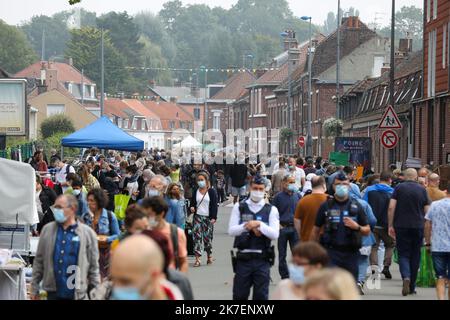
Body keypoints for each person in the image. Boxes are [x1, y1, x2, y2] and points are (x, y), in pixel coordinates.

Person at [31, 195, 100, 300]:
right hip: (51, 292)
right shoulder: (47, 230)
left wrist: (96, 294)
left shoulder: (87, 234)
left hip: (77, 293)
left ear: (72, 209)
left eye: (59, 207)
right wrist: (34, 288)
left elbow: (94, 267)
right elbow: (39, 261)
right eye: (55, 207)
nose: (56, 210)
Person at [228, 175, 280, 300]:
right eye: (255, 188)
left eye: (261, 189)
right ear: (250, 188)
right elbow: (231, 230)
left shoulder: (271, 210)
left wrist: (259, 224)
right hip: (243, 259)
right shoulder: (240, 207)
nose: (258, 191)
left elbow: (274, 234)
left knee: (261, 296)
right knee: (239, 295)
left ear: (264, 190)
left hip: (262, 259)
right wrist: (247, 226)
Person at [312, 172, 370, 280]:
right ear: (333, 186)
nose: (341, 187)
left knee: (349, 287)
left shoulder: (357, 206)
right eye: (338, 184)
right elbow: (315, 230)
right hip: (330, 252)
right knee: (330, 286)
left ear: (349, 186)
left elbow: (367, 230)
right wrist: (315, 251)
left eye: (344, 184)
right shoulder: (326, 206)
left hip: (351, 253)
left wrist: (357, 227)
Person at [388, 168, 431, 296]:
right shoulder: (422, 189)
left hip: (401, 225)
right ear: (416, 177)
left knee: (403, 254)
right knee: (415, 254)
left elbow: (391, 207)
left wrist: (390, 224)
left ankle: (405, 276)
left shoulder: (399, 188)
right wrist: (427, 225)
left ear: (405, 177)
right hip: (418, 226)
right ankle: (412, 285)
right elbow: (427, 210)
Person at [108, 235, 183, 300]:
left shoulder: (174, 295)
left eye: (126, 282)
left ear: (154, 277)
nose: (116, 288)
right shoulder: (104, 293)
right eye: (113, 279)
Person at [140, 196, 188, 273]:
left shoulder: (176, 233)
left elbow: (183, 261)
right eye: (146, 215)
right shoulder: (142, 234)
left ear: (161, 213)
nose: (148, 218)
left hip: (169, 277)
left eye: (150, 215)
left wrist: (179, 280)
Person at [83, 188, 120, 279]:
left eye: (92, 201)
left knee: (103, 280)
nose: (89, 203)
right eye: (88, 200)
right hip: (89, 254)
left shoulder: (110, 216)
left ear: (99, 201)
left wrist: (107, 239)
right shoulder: (85, 216)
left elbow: (117, 235)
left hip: (104, 255)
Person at [364, 171, 395, 279]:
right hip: (387, 223)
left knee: (374, 246)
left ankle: (374, 267)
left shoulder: (369, 190)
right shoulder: (393, 192)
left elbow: (365, 205)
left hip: (373, 223)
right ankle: (386, 266)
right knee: (390, 245)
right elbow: (394, 208)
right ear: (390, 180)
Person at [272, 175, 301, 279]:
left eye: (293, 182)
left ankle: (296, 274)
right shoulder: (278, 197)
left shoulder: (297, 196)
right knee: (282, 254)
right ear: (284, 183)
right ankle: (284, 275)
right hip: (283, 228)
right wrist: (278, 225)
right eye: (290, 182)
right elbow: (273, 213)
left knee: (297, 253)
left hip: (295, 229)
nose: (292, 184)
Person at [425, 182, 450, 300]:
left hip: (438, 245)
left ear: (446, 191)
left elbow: (428, 224)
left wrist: (428, 243)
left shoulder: (435, 205)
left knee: (440, 276)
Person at [189, 172, 218, 267]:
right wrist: (192, 207)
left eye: (202, 180)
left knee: (207, 238)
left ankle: (209, 256)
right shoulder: (195, 191)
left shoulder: (212, 192)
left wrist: (214, 217)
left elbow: (214, 205)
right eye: (198, 180)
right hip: (197, 217)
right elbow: (192, 203)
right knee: (196, 238)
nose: (200, 182)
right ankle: (198, 259)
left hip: (208, 218)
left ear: (206, 181)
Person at [294, 176, 328, 242]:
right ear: (324, 185)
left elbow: (296, 220)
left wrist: (301, 236)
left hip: (307, 241)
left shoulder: (303, 201)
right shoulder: (330, 200)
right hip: (325, 242)